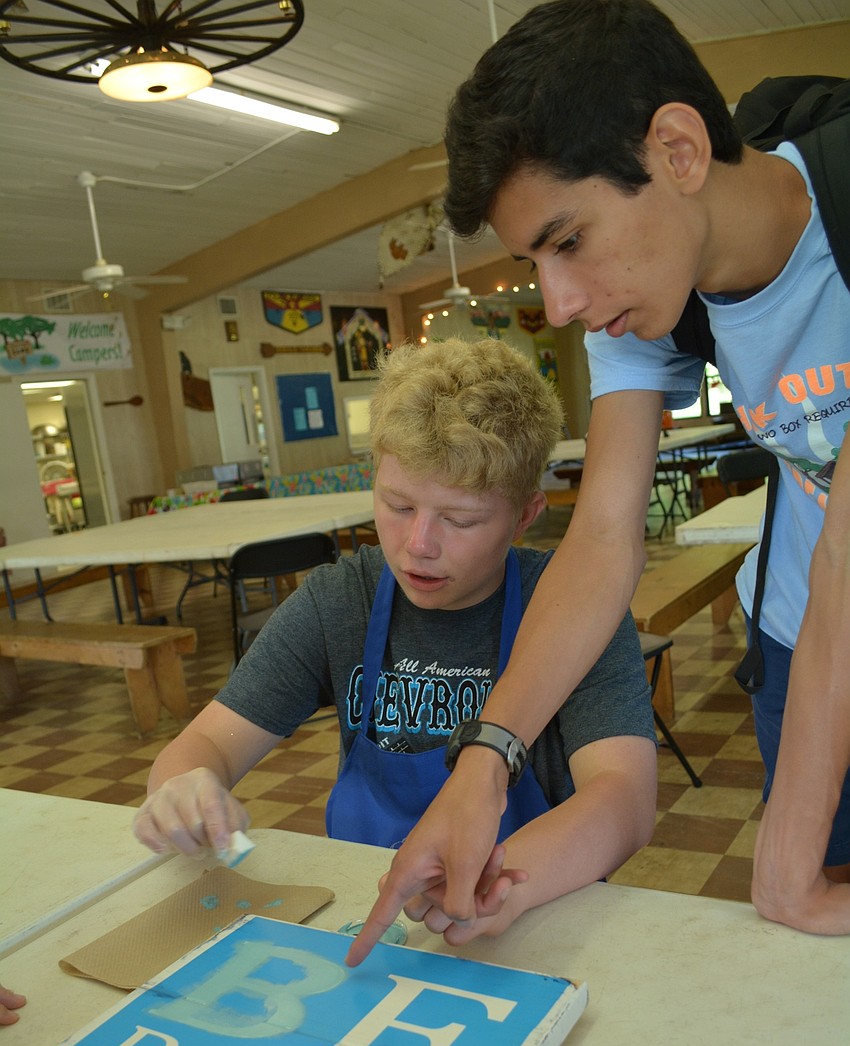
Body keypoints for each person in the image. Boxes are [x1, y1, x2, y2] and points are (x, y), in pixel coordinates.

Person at [345, 0, 850, 963]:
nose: (561, 301)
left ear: (678, 150)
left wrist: (785, 850)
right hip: (800, 640)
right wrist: (483, 764)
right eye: (535, 261)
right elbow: (604, 536)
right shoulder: (645, 306)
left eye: (567, 240)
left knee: (797, 883)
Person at [134, 338, 656, 943]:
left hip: (529, 920)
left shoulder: (576, 606)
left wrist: (496, 881)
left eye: (459, 519)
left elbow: (623, 799)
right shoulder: (339, 604)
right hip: (372, 925)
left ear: (524, 514)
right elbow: (206, 743)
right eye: (397, 505)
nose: (418, 545)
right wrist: (185, 785)